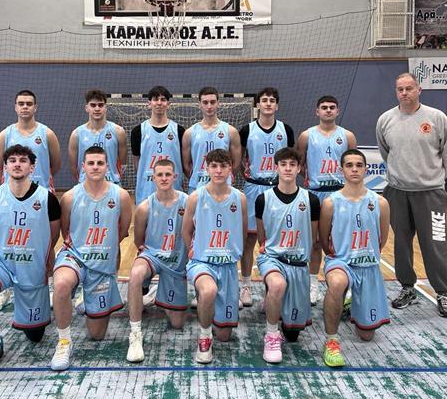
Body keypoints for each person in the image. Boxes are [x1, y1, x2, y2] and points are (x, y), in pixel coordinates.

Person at [0, 144, 60, 373]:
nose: (17, 164)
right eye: (12, 160)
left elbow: (53, 236)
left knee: (35, 336)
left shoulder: (48, 199)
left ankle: (30, 309)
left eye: (22, 160)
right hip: (1, 262)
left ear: (32, 167)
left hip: (31, 267)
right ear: (5, 167)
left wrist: (45, 262)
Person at [376, 73, 447, 318]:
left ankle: (442, 292)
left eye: (409, 88)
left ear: (419, 90)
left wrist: (433, 179)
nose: (404, 93)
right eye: (400, 89)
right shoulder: (385, 120)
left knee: (435, 244)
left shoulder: (436, 118)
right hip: (397, 193)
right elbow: (386, 152)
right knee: (401, 244)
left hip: (430, 193)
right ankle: (407, 288)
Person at [50, 146, 132, 370]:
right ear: (83, 167)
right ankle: (64, 342)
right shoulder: (70, 197)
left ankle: (85, 300)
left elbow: (122, 231)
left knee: (97, 335)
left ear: (107, 167)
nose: (95, 167)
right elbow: (65, 231)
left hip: (102, 266)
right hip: (75, 256)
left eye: (100, 163)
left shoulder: (121, 196)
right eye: (91, 163)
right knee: (61, 284)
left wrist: (103, 250)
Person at [318, 149, 390, 367]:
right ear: (342, 170)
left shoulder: (380, 203)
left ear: (366, 169)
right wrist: (338, 258)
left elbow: (382, 239)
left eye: (359, 165)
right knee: (337, 283)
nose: (355, 169)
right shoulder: (331, 203)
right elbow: (324, 239)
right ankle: (331, 341)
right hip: (341, 262)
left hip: (368, 265)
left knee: (366, 335)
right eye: (349, 165)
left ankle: (349, 303)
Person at [0, 89, 61, 311]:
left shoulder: (47, 134)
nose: (25, 107)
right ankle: (5, 288)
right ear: (15, 107)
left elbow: (55, 165)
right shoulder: (5, 134)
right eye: (21, 103)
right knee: (9, 243)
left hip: (40, 200)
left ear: (35, 107)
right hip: (12, 200)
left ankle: (50, 286)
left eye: (29, 103)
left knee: (46, 244)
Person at [182, 149, 246, 364]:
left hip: (227, 266)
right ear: (207, 168)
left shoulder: (240, 198)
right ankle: (204, 337)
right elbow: (186, 231)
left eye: (223, 166)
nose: (218, 171)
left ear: (230, 168)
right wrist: (194, 253)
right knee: (208, 290)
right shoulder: (195, 197)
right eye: (214, 166)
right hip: (203, 263)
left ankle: (209, 311)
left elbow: (242, 231)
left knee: (225, 336)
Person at [255, 147, 318, 364]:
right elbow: (262, 237)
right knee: (277, 284)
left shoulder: (311, 200)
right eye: (283, 164)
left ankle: (275, 302)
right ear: (276, 168)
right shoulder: (263, 199)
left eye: (292, 165)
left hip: (298, 264)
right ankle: (272, 335)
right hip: (273, 259)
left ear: (299, 168)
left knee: (292, 335)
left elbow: (313, 236)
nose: (288, 168)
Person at [126, 159, 189, 363]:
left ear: (175, 177)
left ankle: (155, 293)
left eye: (167, 174)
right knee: (136, 274)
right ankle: (135, 334)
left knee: (177, 323)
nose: (164, 178)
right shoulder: (144, 207)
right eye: (159, 175)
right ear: (153, 178)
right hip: (153, 257)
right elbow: (139, 242)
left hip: (176, 263)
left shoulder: (188, 202)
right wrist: (147, 256)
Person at [296, 95, 356, 306]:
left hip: (340, 194)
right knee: (314, 243)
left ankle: (346, 286)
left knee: (342, 242)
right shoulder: (306, 136)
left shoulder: (347, 136)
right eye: (324, 107)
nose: (328, 110)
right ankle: (313, 285)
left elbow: (353, 163)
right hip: (315, 193)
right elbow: (299, 164)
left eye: (332, 107)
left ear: (337, 111)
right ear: (317, 111)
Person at [239, 87, 295, 309]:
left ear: (277, 105)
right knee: (249, 240)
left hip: (278, 190)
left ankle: (271, 289)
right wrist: (247, 172)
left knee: (276, 241)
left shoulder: (286, 130)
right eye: (264, 100)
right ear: (257, 105)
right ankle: (245, 286)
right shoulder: (247, 130)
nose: (268, 103)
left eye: (272, 100)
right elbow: (239, 158)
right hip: (254, 187)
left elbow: (290, 159)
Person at [132, 86, 186, 205]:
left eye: (163, 99)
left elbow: (183, 162)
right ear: (149, 103)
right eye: (155, 99)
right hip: (146, 190)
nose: (159, 103)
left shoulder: (179, 131)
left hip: (173, 189)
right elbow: (137, 163)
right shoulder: (138, 131)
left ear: (168, 104)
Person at [182, 86, 241, 194]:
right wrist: (199, 178)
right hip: (197, 188)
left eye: (212, 102)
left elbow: (236, 163)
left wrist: (224, 176)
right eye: (205, 102)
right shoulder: (189, 133)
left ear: (218, 103)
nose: (209, 106)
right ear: (199, 104)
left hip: (223, 188)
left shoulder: (231, 131)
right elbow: (186, 165)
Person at [68, 89, 127, 185]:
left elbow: (123, 164)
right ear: (86, 108)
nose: (97, 109)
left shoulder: (118, 132)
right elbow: (73, 168)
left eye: (100, 105)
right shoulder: (76, 134)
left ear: (105, 107)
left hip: (112, 184)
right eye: (93, 105)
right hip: (86, 185)